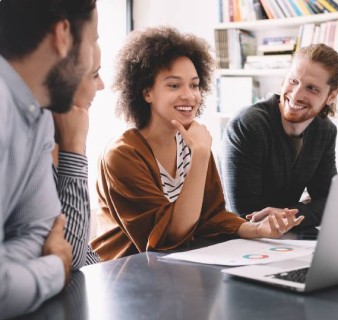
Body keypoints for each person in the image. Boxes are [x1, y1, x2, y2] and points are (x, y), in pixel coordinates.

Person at [91, 26, 303, 261]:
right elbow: (168, 237)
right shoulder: (122, 155)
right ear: (146, 92)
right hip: (124, 275)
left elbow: (210, 216)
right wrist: (200, 155)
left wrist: (256, 228)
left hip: (178, 266)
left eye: (194, 85)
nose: (189, 96)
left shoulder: (192, 143)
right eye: (174, 85)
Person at [0, 0, 98, 320]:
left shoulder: (37, 114)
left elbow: (40, 235)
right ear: (63, 35)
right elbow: (58, 254)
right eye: (93, 39)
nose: (91, 67)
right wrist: (54, 267)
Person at [220, 43, 338, 229]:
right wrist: (303, 212)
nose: (296, 95)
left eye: (311, 88)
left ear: (331, 96)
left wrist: (288, 216)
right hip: (237, 242)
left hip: (287, 239)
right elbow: (246, 214)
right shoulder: (248, 125)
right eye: (293, 81)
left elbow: (330, 202)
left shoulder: (324, 131)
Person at [52, 43, 105, 269]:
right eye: (95, 75)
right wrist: (74, 146)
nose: (101, 86)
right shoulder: (68, 138)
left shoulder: (69, 128)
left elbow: (82, 252)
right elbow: (70, 258)